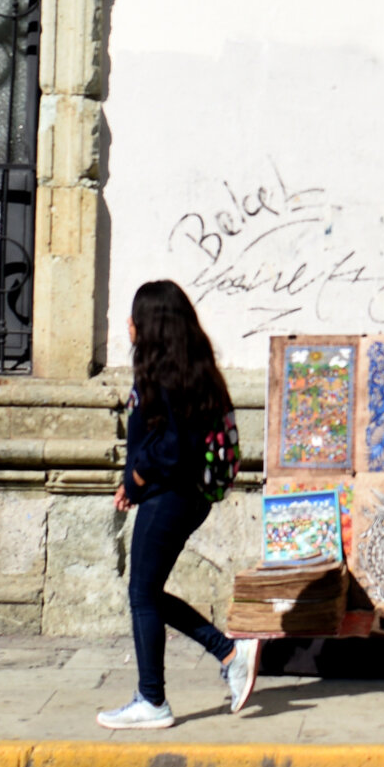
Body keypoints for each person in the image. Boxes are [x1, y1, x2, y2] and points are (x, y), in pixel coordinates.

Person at [97, 279, 262, 730]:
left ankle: (153, 699)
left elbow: (173, 446)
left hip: (173, 496)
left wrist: (135, 477)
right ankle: (229, 653)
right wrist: (133, 485)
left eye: (133, 316)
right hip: (179, 495)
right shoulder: (186, 368)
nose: (127, 325)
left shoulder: (168, 374)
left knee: (142, 594)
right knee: (146, 592)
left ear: (149, 325)